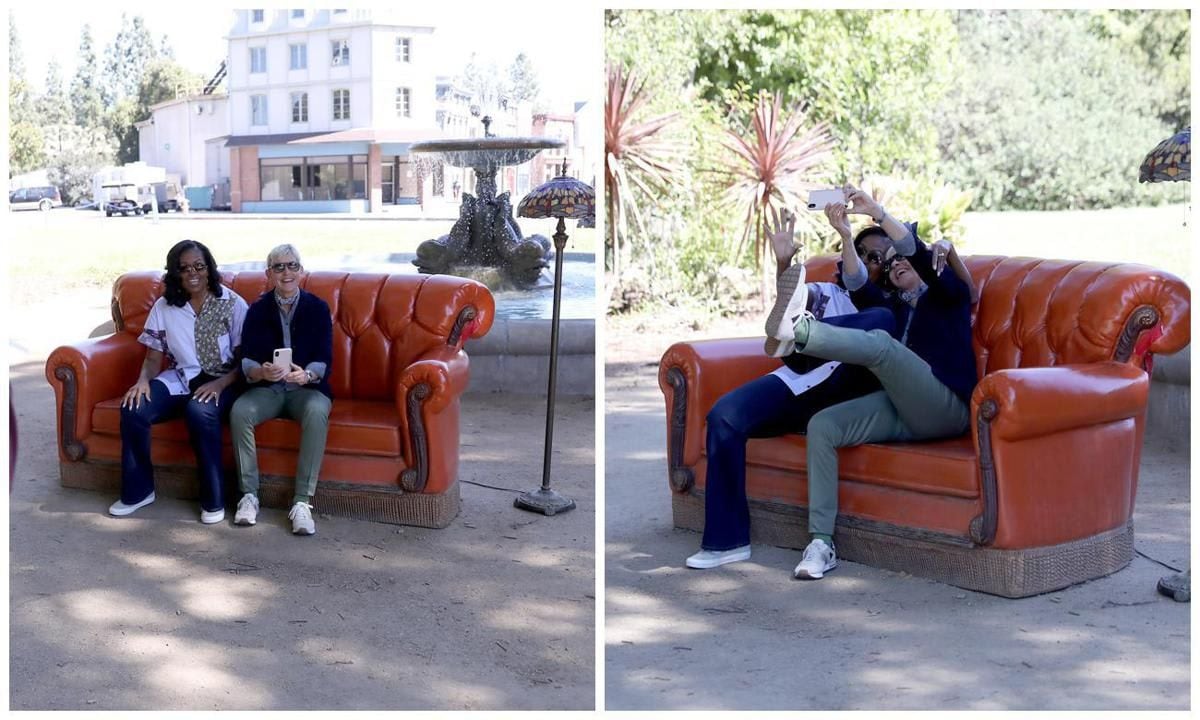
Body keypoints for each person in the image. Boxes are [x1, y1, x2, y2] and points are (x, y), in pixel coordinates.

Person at [764, 194, 977, 580]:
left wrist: (877, 212)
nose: (896, 265)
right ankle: (821, 544)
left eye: (902, 260)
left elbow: (916, 250)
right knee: (824, 425)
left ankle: (797, 332)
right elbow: (858, 282)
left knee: (880, 345)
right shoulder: (894, 307)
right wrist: (845, 234)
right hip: (904, 411)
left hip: (947, 408)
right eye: (890, 263)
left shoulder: (948, 295)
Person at [685, 198, 904, 570]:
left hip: (846, 390)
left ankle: (800, 338)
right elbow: (794, 300)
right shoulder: (829, 293)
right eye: (865, 254)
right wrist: (784, 263)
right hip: (799, 381)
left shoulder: (893, 307)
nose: (872, 262)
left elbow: (862, 285)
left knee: (879, 318)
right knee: (724, 416)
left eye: (880, 257)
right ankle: (727, 541)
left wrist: (848, 239)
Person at [110, 240, 248, 523]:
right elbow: (152, 357)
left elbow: (244, 360)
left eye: (199, 266)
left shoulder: (232, 303)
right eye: (184, 268)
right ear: (175, 273)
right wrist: (142, 382)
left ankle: (213, 500)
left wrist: (220, 384)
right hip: (181, 379)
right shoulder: (165, 306)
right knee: (134, 407)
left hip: (222, 381)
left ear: (209, 268)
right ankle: (139, 491)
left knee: (199, 411)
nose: (193, 273)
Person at [229, 244, 333, 535]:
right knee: (241, 411)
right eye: (279, 267)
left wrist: (308, 374)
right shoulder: (258, 310)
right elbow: (247, 358)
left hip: (305, 389)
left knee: (316, 410)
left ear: (301, 271)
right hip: (269, 388)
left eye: (292, 266)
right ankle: (249, 495)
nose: (286, 272)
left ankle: (302, 502)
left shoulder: (318, 308)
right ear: (268, 273)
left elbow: (325, 357)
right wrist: (261, 371)